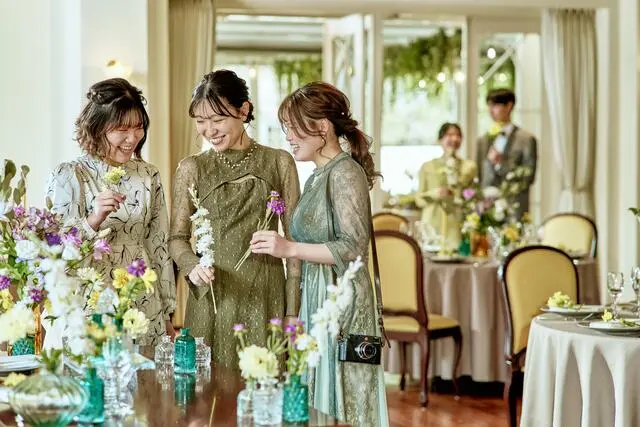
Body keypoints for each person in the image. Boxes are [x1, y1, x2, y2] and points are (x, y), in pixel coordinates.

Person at [249, 82, 389, 427]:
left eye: (293, 128)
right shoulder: (317, 176)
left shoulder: (345, 173)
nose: (288, 137)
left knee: (342, 398)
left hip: (341, 301)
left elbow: (353, 247)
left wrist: (289, 248)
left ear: (322, 127)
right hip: (318, 294)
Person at [168, 70, 301, 368]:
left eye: (217, 120)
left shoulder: (279, 162)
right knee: (205, 389)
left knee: (265, 384)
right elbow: (176, 239)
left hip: (266, 296)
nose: (209, 130)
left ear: (244, 110)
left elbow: (294, 243)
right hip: (212, 297)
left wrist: (292, 310)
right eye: (201, 122)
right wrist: (192, 267)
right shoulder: (192, 168)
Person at [46, 78, 176, 346]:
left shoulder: (149, 175)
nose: (133, 138)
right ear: (97, 128)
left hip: (142, 302)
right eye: (122, 129)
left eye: (138, 127)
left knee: (146, 373)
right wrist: (93, 220)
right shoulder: (69, 176)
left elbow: (159, 247)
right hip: (90, 304)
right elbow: (55, 257)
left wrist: (166, 316)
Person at [476, 88, 537, 218]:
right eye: (489, 106)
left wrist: (501, 163)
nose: (491, 111)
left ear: (509, 106)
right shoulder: (483, 140)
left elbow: (529, 176)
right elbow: (480, 175)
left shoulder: (526, 139)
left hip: (514, 207)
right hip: (488, 209)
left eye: (495, 105)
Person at [416, 122, 477, 248]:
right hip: (432, 223)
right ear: (440, 139)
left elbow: (472, 198)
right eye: (449, 135)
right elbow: (419, 200)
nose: (454, 139)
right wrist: (435, 193)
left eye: (458, 135)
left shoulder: (469, 167)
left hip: (456, 224)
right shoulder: (427, 166)